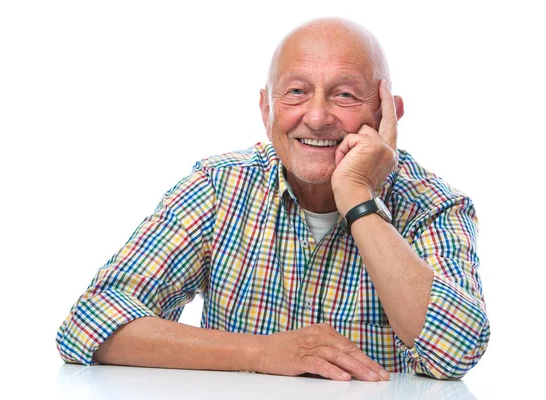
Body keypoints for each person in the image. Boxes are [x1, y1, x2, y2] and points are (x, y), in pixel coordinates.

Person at [56, 17, 489, 381]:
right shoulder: (219, 187)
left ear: (385, 111)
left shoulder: (433, 204)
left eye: (344, 94)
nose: (317, 118)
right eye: (297, 92)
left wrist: (359, 198)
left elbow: (456, 350)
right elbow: (89, 323)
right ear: (267, 110)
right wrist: (259, 353)